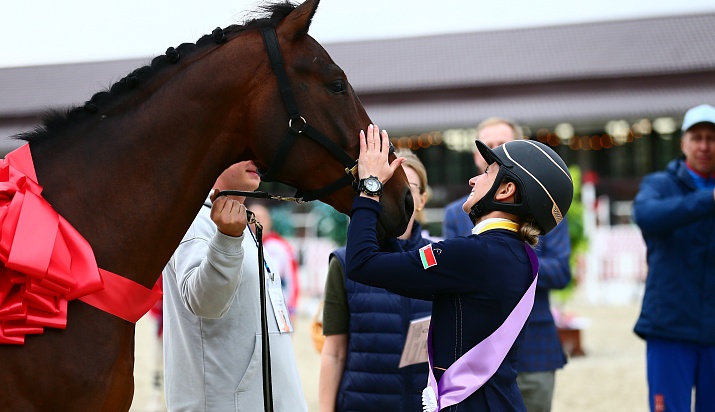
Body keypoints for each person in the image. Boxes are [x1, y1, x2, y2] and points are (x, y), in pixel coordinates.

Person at [346, 124, 573, 411]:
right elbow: (402, 267)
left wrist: (370, 187)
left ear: (506, 189)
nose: (473, 180)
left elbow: (362, 263)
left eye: (487, 173)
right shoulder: (520, 256)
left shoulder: (472, 254)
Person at [443, 117, 572, 412]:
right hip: (475, 349)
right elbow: (451, 276)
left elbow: (562, 271)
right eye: (488, 146)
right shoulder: (455, 214)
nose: (494, 150)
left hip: (535, 346)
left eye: (502, 144)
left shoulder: (545, 207)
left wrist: (505, 262)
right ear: (477, 156)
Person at [162, 161, 307, 412]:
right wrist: (227, 239)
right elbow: (204, 303)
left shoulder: (238, 225)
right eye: (244, 153)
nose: (257, 160)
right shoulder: (194, 219)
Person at [318, 149, 434, 412]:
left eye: (408, 185)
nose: (396, 191)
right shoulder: (345, 262)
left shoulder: (440, 259)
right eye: (386, 183)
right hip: (362, 402)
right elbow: (334, 351)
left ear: (422, 199)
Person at [632, 103, 715, 412]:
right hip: (669, 327)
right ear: (683, 143)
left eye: (712, 137)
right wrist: (709, 199)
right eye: (697, 137)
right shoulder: (658, 184)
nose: (705, 145)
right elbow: (646, 215)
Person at [248, 202, 300, 322]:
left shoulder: (279, 247)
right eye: (251, 218)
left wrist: (291, 310)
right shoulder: (245, 245)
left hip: (278, 311)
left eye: (260, 217)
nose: (255, 222)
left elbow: (292, 279)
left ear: (269, 220)